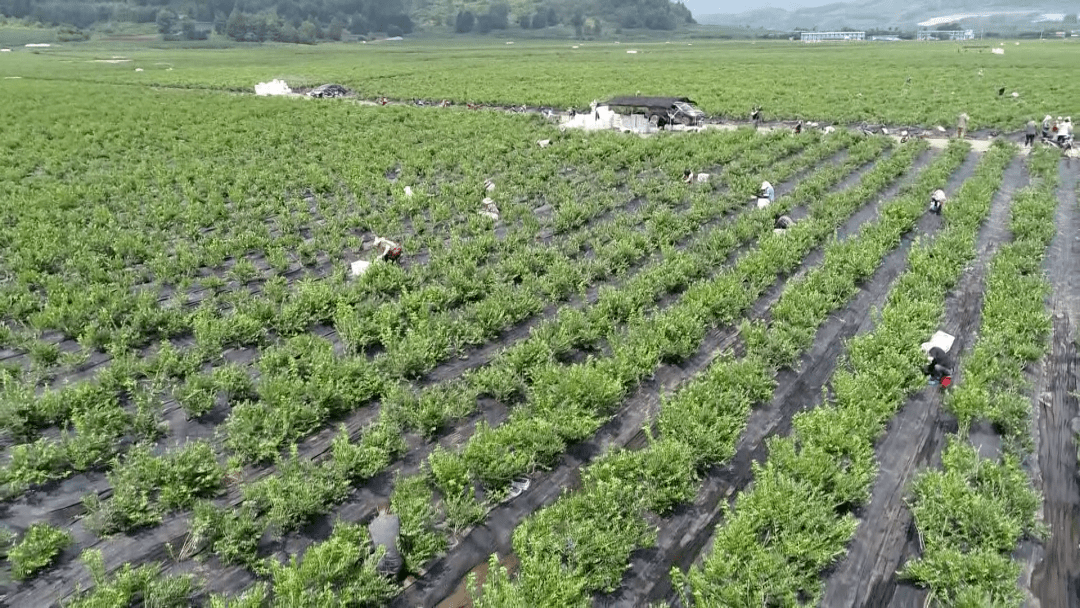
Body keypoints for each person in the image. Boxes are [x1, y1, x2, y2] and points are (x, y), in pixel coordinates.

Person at [368, 505, 403, 578]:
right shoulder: (395, 519)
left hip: (381, 565)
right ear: (388, 510)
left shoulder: (371, 526)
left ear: (378, 510)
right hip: (396, 564)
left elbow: (372, 545)